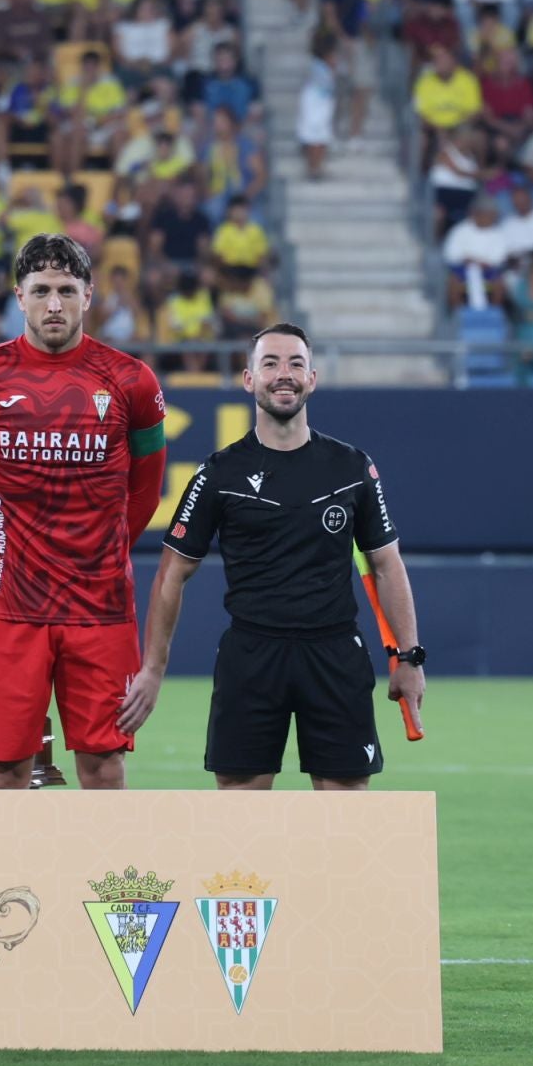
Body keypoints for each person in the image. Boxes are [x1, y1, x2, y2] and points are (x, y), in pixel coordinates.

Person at [120, 323, 424, 791]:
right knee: (242, 811)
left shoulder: (352, 467)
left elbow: (386, 565)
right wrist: (153, 670)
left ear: (312, 379)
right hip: (251, 656)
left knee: (346, 810)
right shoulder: (219, 473)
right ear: (249, 379)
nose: (284, 374)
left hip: (335, 654)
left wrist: (409, 658)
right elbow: (171, 573)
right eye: (270, 363)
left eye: (296, 364)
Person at [0, 234, 168, 790]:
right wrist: (4, 541)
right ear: (18, 296)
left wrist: (100, 549)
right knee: (3, 767)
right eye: (41, 290)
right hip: (7, 605)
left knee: (103, 763)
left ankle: (96, 859)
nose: (53, 304)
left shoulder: (134, 382)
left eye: (66, 290)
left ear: (88, 295)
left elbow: (145, 491)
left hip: (99, 607)